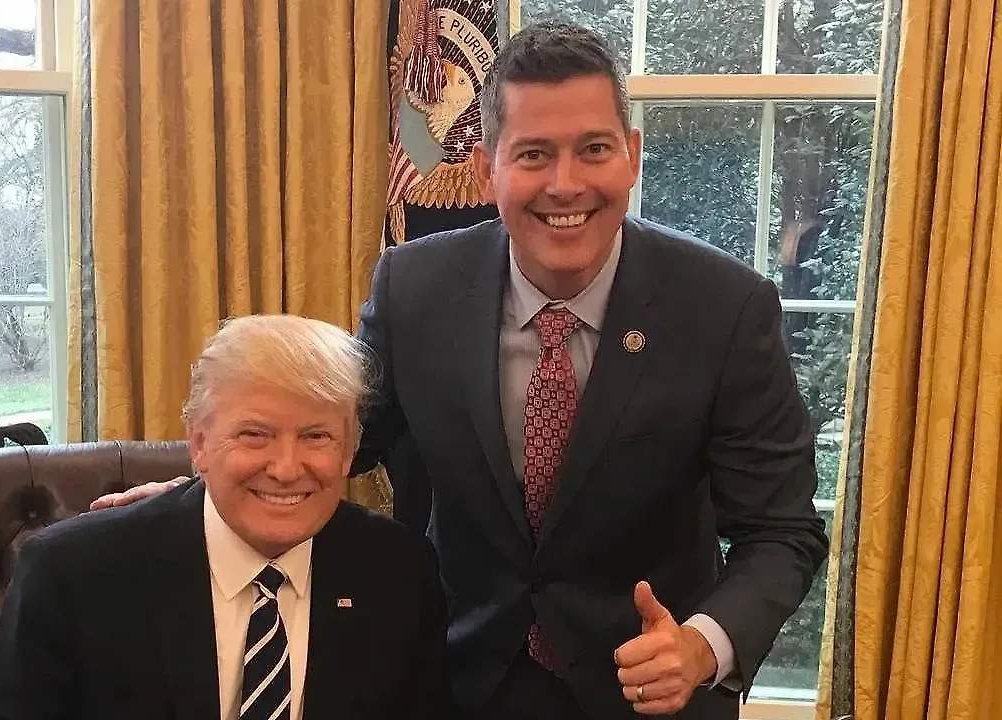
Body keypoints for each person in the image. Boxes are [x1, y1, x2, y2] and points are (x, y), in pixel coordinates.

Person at [93, 21, 828, 720]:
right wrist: (206, 492)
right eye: (534, 154)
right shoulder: (415, 288)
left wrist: (703, 646)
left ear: (631, 155)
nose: (565, 184)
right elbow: (336, 435)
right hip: (458, 681)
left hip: (650, 691)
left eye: (594, 149)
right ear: (487, 167)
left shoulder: (725, 308)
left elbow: (782, 531)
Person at [0, 315, 451, 720]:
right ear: (199, 443)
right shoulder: (71, 575)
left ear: (348, 452)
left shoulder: (399, 571)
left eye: (316, 437)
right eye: (255, 434)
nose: (286, 469)